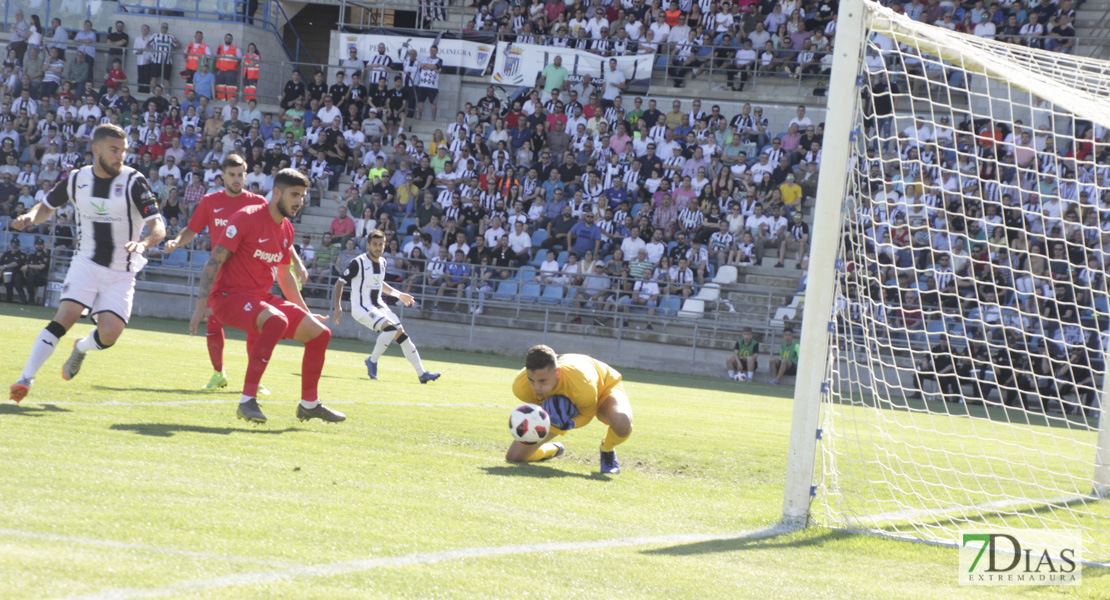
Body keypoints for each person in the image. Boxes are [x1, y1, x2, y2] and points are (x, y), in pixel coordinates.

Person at [9, 124, 165, 402]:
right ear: (96, 150)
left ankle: (81, 347)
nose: (120, 157)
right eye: (114, 150)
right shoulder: (76, 179)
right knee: (66, 315)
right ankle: (25, 379)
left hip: (122, 269)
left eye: (123, 151)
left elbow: (158, 227)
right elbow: (46, 206)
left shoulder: (134, 181)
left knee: (110, 333)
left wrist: (143, 244)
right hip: (86, 262)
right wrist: (31, 217)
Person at [189, 168, 344, 424]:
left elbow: (285, 277)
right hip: (228, 298)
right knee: (276, 320)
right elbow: (213, 262)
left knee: (320, 334)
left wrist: (305, 313)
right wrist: (201, 305)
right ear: (276, 192)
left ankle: (309, 404)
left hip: (259, 298)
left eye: (303, 196)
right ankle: (247, 400)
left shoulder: (286, 230)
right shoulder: (246, 218)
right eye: (294, 194)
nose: (299, 202)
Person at [164, 154, 307, 391]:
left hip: (251, 273)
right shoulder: (210, 201)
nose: (237, 179)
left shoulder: (259, 202)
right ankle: (218, 373)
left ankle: (254, 379)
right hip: (220, 270)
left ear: (246, 174)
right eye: (232, 175)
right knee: (213, 320)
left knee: (258, 324)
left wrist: (297, 262)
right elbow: (191, 229)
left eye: (241, 174)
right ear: (223, 176)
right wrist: (176, 242)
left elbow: (279, 231)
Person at [332, 229, 441, 384]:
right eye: (375, 244)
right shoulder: (358, 262)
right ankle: (372, 360)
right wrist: (338, 307)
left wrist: (399, 295)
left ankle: (422, 373)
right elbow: (339, 283)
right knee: (391, 329)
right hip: (362, 308)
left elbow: (380, 284)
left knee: (401, 335)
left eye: (381, 244)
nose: (378, 247)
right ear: (368, 245)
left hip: (379, 305)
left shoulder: (383, 262)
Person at [507, 344, 633, 475]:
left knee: (622, 423)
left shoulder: (583, 386)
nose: (536, 387)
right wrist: (553, 421)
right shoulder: (521, 387)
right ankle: (554, 449)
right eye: (531, 380)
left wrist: (569, 423)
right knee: (514, 458)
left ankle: (607, 449)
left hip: (603, 386)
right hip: (577, 391)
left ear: (557, 372)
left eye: (542, 381)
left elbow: (586, 416)